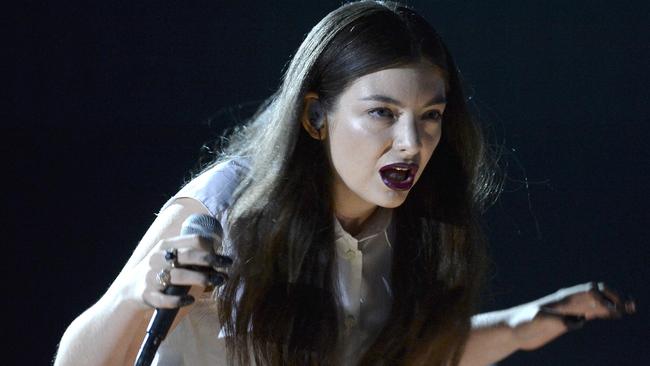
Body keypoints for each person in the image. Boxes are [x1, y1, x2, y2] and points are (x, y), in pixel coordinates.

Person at [55, 1, 635, 365]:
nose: (412, 142)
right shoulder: (226, 206)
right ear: (315, 116)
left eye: (430, 116)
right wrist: (140, 297)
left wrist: (520, 326)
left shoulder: (412, 229)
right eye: (382, 113)